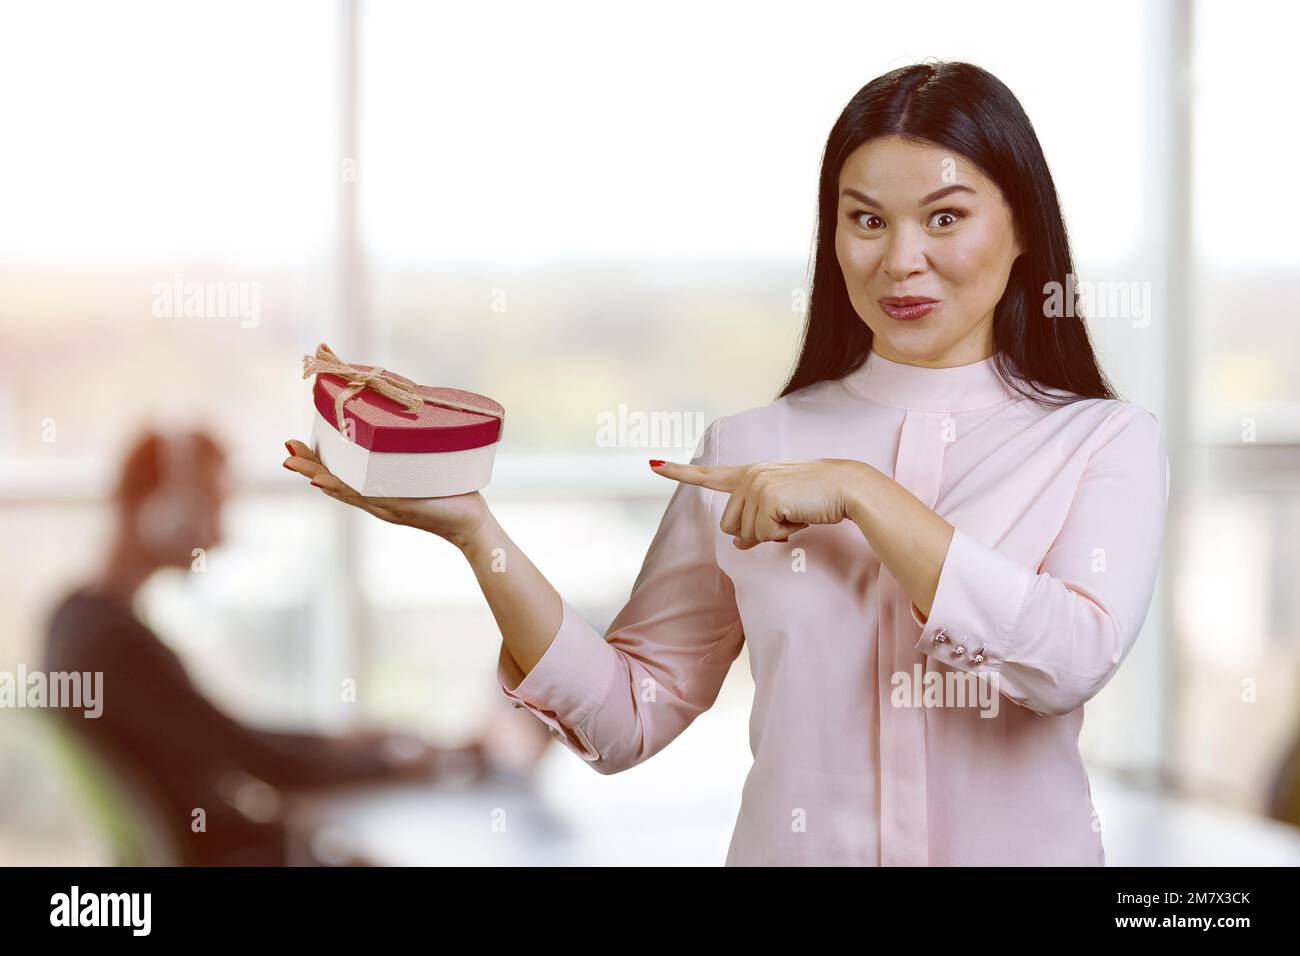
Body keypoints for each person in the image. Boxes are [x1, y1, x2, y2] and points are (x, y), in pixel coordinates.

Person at [283, 61, 1170, 866]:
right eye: (866, 220)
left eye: (946, 217)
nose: (902, 259)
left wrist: (863, 494)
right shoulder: (752, 451)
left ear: (1022, 230)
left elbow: (1068, 661)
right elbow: (629, 715)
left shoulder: (1104, 441)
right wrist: (477, 535)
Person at [46, 427, 543, 866]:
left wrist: (345, 743)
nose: (220, 531)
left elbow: (225, 736)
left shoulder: (73, 619)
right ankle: (480, 752)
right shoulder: (114, 643)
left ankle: (475, 751)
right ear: (164, 511)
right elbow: (255, 758)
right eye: (211, 505)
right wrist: (398, 761)